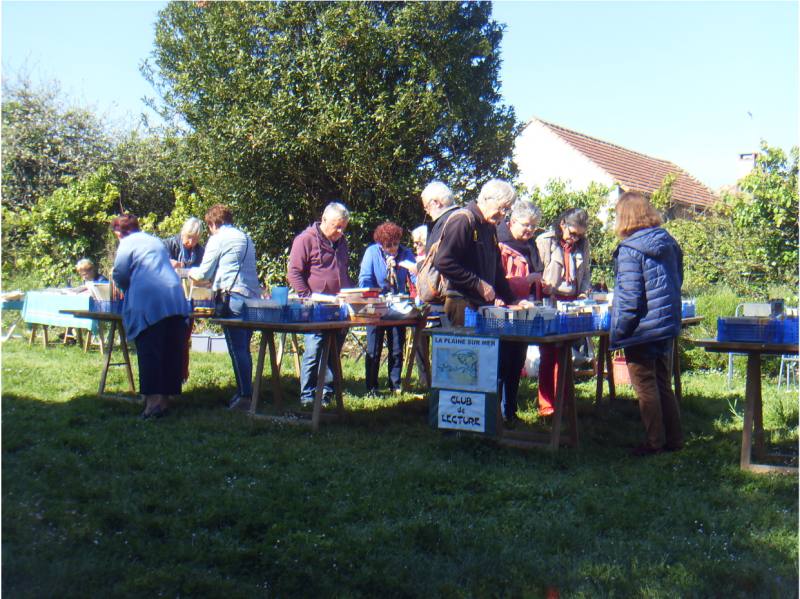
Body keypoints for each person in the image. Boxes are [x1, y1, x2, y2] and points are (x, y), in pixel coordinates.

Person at [610, 191, 684, 456]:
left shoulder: (630, 250)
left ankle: (652, 443)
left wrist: (618, 333)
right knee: (663, 383)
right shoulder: (670, 243)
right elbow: (678, 281)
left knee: (645, 387)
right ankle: (674, 440)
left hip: (641, 329)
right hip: (665, 325)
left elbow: (630, 300)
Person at [111, 214, 189, 419]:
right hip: (175, 296)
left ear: (119, 233)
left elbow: (119, 273)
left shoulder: (126, 243)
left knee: (150, 351)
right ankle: (164, 404)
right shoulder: (155, 240)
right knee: (170, 352)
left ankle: (151, 406)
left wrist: (126, 288)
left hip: (150, 299)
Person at [189, 205, 261, 412]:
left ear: (213, 224)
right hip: (251, 296)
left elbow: (203, 274)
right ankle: (243, 391)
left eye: (209, 226)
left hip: (233, 297)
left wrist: (188, 272)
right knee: (244, 348)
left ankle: (246, 397)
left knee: (237, 348)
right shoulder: (245, 237)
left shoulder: (218, 238)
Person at [288, 202, 352, 405]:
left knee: (334, 350)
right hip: (315, 307)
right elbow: (294, 272)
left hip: (339, 306)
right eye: (336, 226)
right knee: (314, 350)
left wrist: (350, 295)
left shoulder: (342, 241)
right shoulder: (305, 239)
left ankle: (326, 393)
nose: (340, 231)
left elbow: (344, 270)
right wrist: (307, 297)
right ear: (324, 220)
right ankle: (307, 396)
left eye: (343, 227)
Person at [534, 207, 592, 418]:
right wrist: (543, 288)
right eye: (573, 233)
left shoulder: (583, 245)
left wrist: (584, 294)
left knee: (565, 354)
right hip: (549, 302)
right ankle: (547, 405)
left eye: (580, 234)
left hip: (572, 304)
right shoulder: (545, 241)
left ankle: (565, 402)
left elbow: (585, 274)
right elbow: (536, 273)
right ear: (562, 225)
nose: (576, 238)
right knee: (549, 354)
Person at [496, 200, 544, 421]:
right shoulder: (499, 244)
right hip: (502, 314)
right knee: (501, 365)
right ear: (512, 221)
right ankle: (495, 414)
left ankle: (511, 412)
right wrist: (525, 281)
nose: (529, 230)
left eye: (533, 226)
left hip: (523, 313)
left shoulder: (530, 246)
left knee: (517, 364)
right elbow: (497, 282)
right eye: (525, 224)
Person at [358, 222, 417, 395]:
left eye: (396, 243)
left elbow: (414, 277)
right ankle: (371, 387)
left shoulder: (406, 254)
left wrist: (417, 279)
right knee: (374, 348)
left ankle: (395, 385)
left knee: (397, 347)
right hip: (376, 306)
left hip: (398, 306)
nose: (392, 248)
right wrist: (376, 294)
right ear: (381, 244)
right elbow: (365, 279)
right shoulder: (372, 252)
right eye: (388, 245)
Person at [421, 181, 458, 252]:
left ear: (437, 203)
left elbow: (438, 259)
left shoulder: (445, 223)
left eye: (427, 207)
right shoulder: (461, 218)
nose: (427, 212)